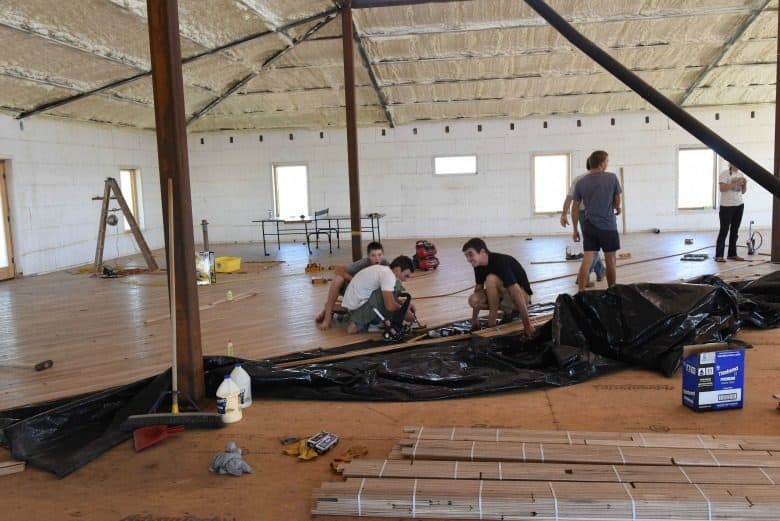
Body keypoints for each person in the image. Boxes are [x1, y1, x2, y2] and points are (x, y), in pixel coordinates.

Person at [461, 238, 535, 335]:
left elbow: (516, 292)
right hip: (504, 298)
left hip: (522, 297)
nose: (468, 259)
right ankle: (506, 313)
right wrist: (474, 321)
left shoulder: (501, 262)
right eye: (466, 256)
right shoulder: (478, 266)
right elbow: (478, 290)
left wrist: (527, 325)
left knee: (491, 279)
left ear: (482, 251)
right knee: (474, 300)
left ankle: (493, 320)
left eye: (470, 254)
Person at [571, 150, 622, 292]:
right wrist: (617, 207)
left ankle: (581, 292)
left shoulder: (581, 182)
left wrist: (575, 229)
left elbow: (574, 208)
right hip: (608, 226)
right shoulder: (612, 178)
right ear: (602, 163)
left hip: (589, 226)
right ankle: (612, 291)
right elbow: (617, 200)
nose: (607, 164)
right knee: (610, 260)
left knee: (587, 259)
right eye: (607, 161)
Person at [315, 241, 388, 330]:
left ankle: (329, 308)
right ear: (368, 256)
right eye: (373, 255)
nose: (377, 258)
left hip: (368, 297)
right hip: (354, 290)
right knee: (339, 278)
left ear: (383, 255)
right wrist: (354, 280)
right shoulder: (363, 263)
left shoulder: (386, 265)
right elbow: (338, 270)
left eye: (379, 255)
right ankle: (327, 317)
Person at [342, 255, 416, 334]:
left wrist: (403, 304)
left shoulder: (384, 270)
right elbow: (390, 306)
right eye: (406, 275)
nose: (406, 279)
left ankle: (371, 320)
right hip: (356, 305)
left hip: (352, 302)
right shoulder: (388, 276)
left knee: (391, 292)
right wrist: (404, 311)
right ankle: (355, 324)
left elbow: (390, 297)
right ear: (398, 270)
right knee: (390, 300)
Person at [560, 159, 606, 287]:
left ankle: (601, 271)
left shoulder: (578, 179)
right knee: (593, 247)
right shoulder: (602, 179)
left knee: (592, 245)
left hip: (581, 214)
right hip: (594, 215)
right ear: (600, 165)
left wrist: (564, 214)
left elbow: (569, 199)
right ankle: (582, 277)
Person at [715, 162, 747, 262]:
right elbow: (722, 189)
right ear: (730, 164)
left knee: (735, 231)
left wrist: (744, 184)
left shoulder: (741, 175)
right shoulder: (724, 174)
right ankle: (719, 256)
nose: (737, 165)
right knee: (724, 230)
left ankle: (732, 254)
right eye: (735, 163)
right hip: (726, 206)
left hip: (739, 205)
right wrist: (736, 183)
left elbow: (743, 191)